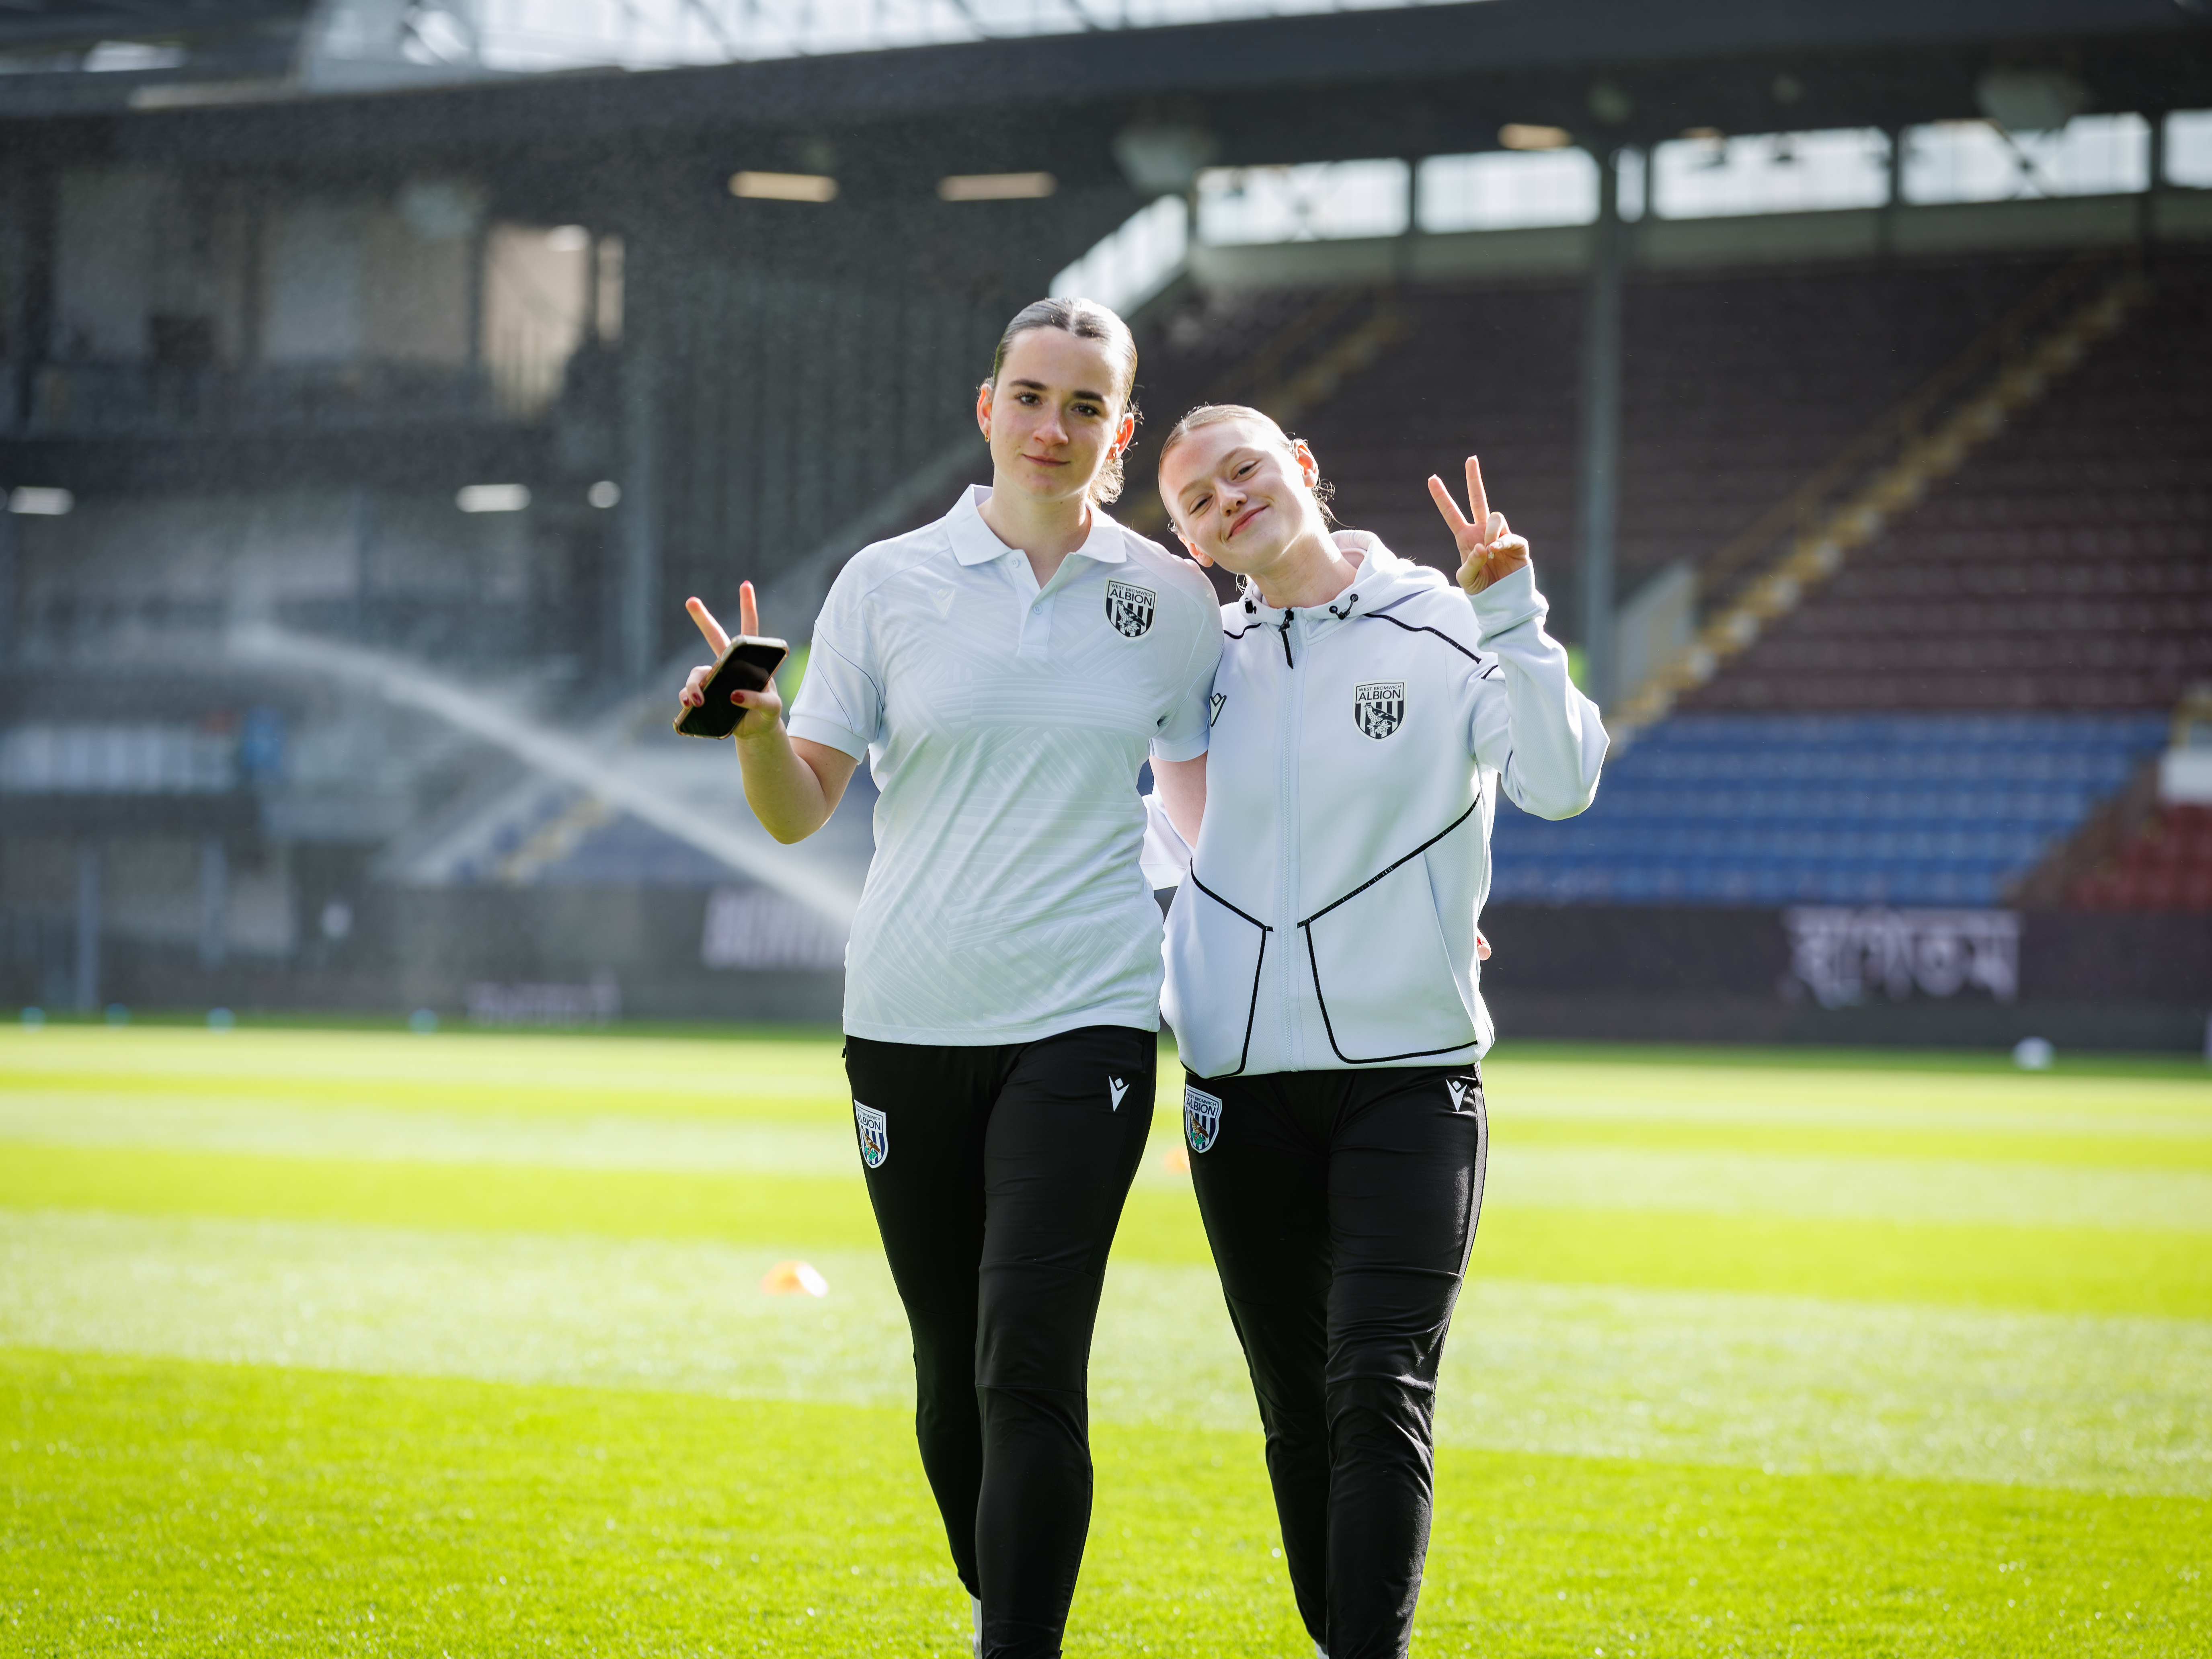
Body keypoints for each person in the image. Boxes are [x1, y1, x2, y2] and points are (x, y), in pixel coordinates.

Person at [677, 299, 1220, 1659]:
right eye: (1031, 397)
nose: (1053, 427)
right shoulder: (883, 583)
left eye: (1084, 406)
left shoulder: (1172, 600)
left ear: (1121, 429)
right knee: (950, 1371)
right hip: (907, 1020)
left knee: (1027, 1357)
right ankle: (1002, 1598)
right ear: (985, 407)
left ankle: (1015, 1644)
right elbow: (800, 810)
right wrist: (752, 726)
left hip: (1086, 1015)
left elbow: (1223, 806)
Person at [1145, 404, 1606, 1659]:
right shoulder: (1198, 666)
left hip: (1408, 1082)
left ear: (1300, 467)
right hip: (1235, 1091)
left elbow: (1560, 785)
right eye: (1195, 496)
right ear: (1185, 536)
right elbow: (1183, 850)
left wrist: (1512, 610)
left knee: (1376, 1381)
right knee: (1297, 1411)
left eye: (1243, 468)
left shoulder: (1447, 618)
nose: (1226, 498)